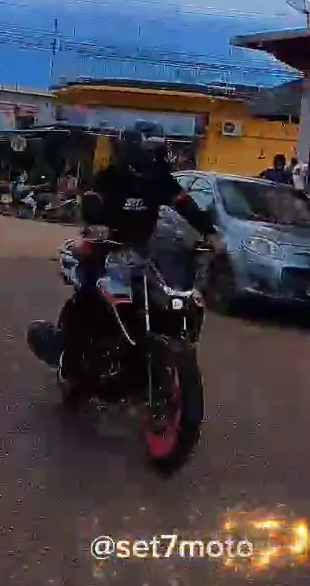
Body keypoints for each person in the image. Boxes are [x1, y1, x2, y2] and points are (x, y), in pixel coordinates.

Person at [56, 125, 223, 389]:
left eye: (158, 151)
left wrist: (209, 233)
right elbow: (90, 202)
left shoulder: (160, 178)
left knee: (170, 295)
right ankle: (71, 362)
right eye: (151, 150)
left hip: (141, 251)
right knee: (89, 294)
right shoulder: (111, 176)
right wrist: (97, 226)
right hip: (106, 248)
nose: (156, 156)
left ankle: (150, 349)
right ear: (134, 149)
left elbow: (185, 205)